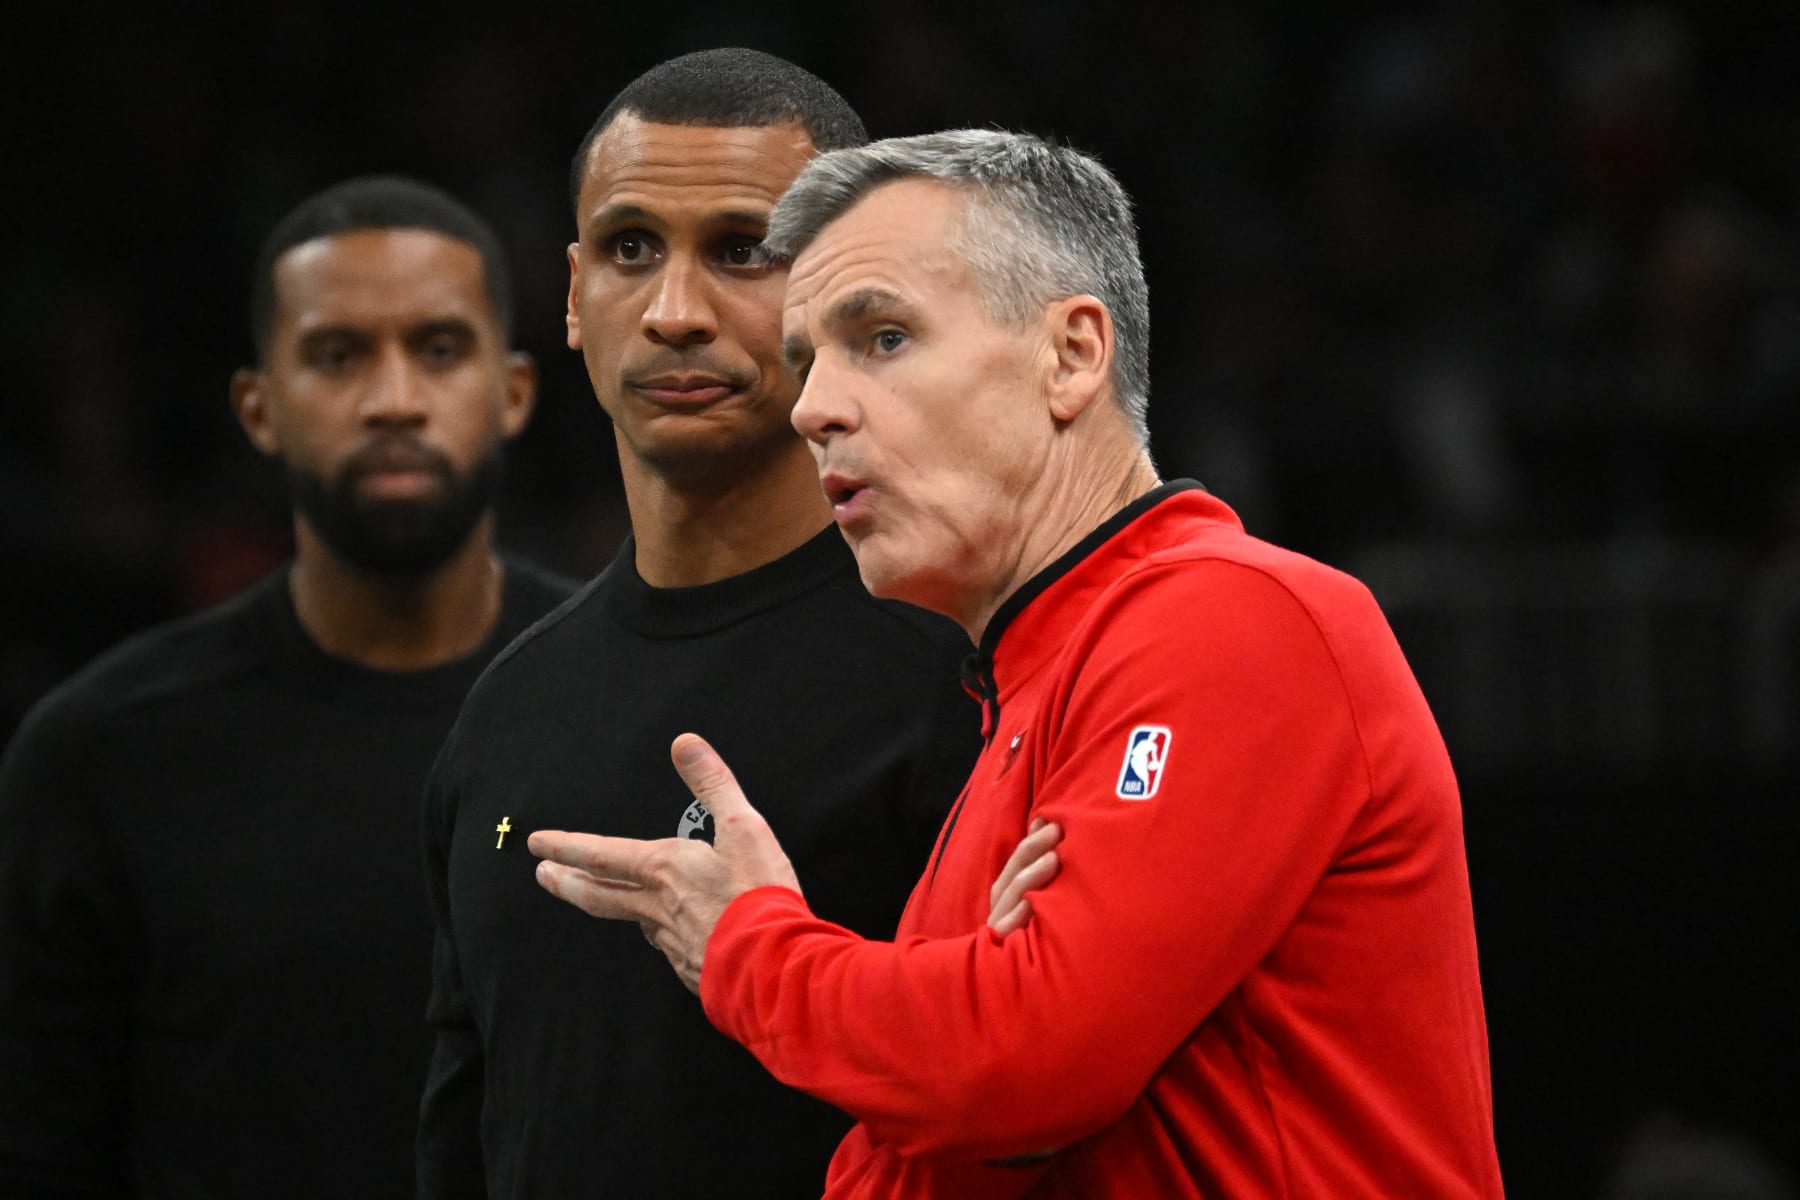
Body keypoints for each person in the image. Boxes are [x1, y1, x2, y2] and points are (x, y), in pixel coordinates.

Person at [532, 130, 1508, 1198]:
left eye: (885, 337)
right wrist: (951, 1019)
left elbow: (1018, 1064)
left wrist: (751, 947)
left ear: (1073, 355)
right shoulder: (1023, 697)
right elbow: (936, 1131)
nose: (812, 408)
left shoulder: (1237, 615)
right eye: (807, 362)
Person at [415, 49, 979, 1199]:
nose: (673, 312)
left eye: (743, 250)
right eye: (630, 249)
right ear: (571, 298)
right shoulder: (505, 714)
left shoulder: (974, 676)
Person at [0, 175, 575, 1197]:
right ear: (258, 407)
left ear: (514, 391)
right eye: (337, 354)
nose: (393, 398)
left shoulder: (632, 704)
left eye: (439, 349)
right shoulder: (101, 755)